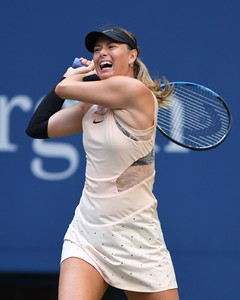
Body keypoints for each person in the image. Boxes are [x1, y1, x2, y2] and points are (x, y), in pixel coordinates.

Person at [26, 26, 179, 300]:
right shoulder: (91, 108)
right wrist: (76, 78)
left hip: (137, 238)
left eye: (112, 47)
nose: (102, 53)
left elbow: (64, 88)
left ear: (132, 56)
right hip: (87, 233)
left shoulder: (133, 90)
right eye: (97, 50)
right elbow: (37, 127)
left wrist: (73, 76)